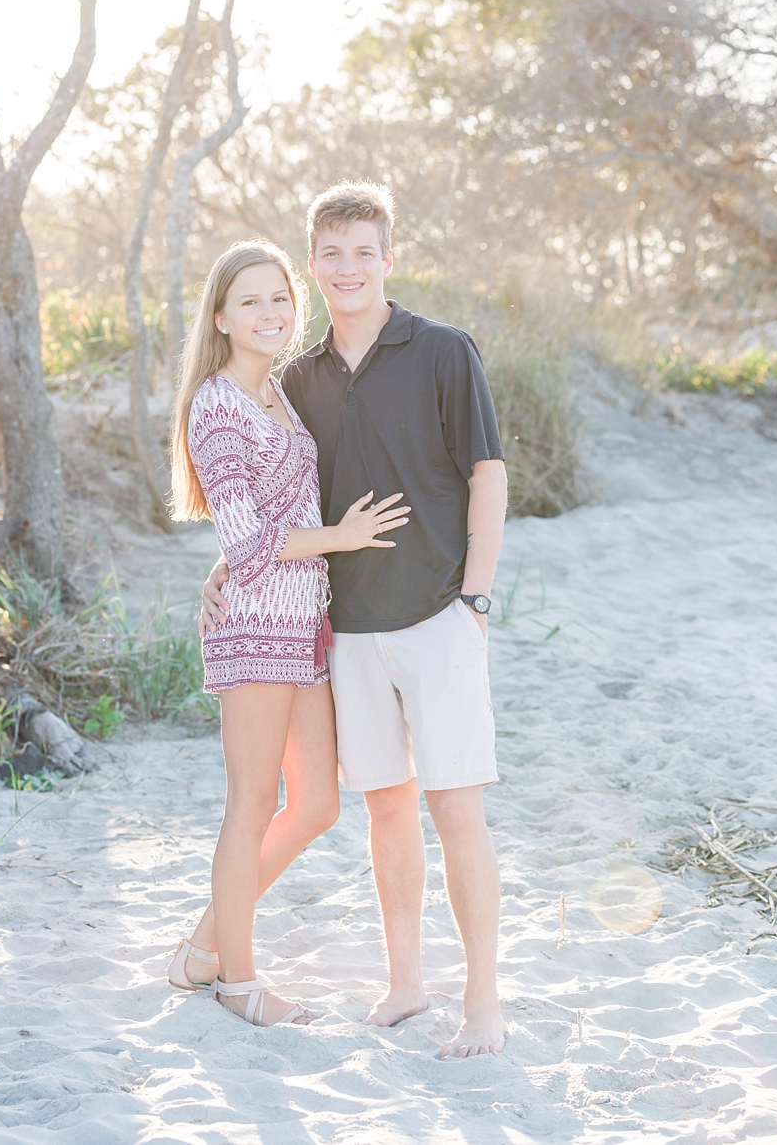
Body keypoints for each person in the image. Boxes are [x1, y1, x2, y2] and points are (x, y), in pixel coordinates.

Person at [201, 182, 509, 1059]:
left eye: (362, 250)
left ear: (387, 257)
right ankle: (406, 982)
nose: (348, 267)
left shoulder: (445, 351)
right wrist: (225, 565)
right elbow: (269, 496)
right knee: (385, 811)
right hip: (348, 630)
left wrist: (477, 597)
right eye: (330, 252)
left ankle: (481, 1002)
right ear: (312, 265)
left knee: (457, 810)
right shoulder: (296, 378)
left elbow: (487, 476)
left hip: (440, 612)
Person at [166, 240, 409, 1028]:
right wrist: (341, 537)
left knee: (315, 804)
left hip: (304, 623)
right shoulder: (217, 405)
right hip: (255, 628)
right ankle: (237, 978)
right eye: (250, 302)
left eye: (279, 298)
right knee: (252, 802)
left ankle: (206, 939)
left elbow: (276, 520)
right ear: (220, 316)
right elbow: (244, 541)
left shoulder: (277, 391)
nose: (269, 313)